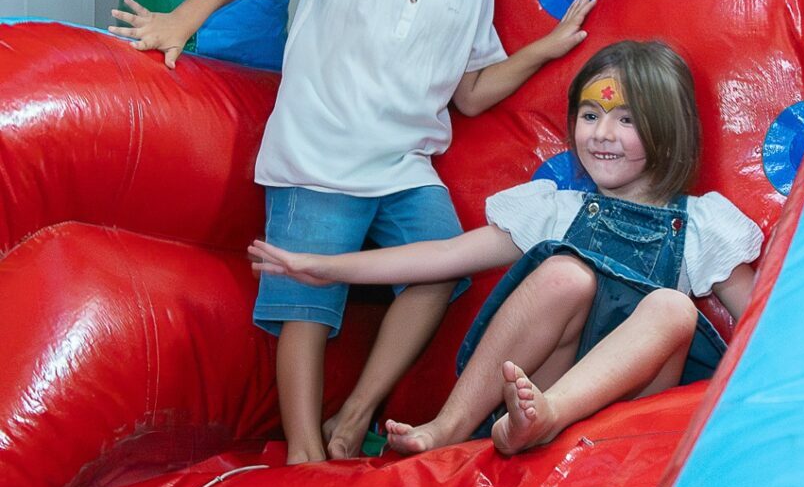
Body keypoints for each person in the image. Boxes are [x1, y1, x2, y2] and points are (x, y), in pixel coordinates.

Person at [108, 0, 594, 464]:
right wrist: (179, 22)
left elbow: (472, 93)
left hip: (405, 166)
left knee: (439, 270)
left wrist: (543, 49)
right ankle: (304, 452)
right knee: (305, 306)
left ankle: (356, 414)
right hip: (318, 155)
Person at [248, 40, 763, 456]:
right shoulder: (556, 209)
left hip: (627, 413)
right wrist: (325, 266)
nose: (602, 134)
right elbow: (444, 256)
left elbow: (764, 320)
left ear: (668, 134)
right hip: (533, 397)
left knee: (672, 307)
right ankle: (449, 427)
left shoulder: (702, 225)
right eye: (589, 115)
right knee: (564, 274)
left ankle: (551, 415)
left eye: (626, 120)